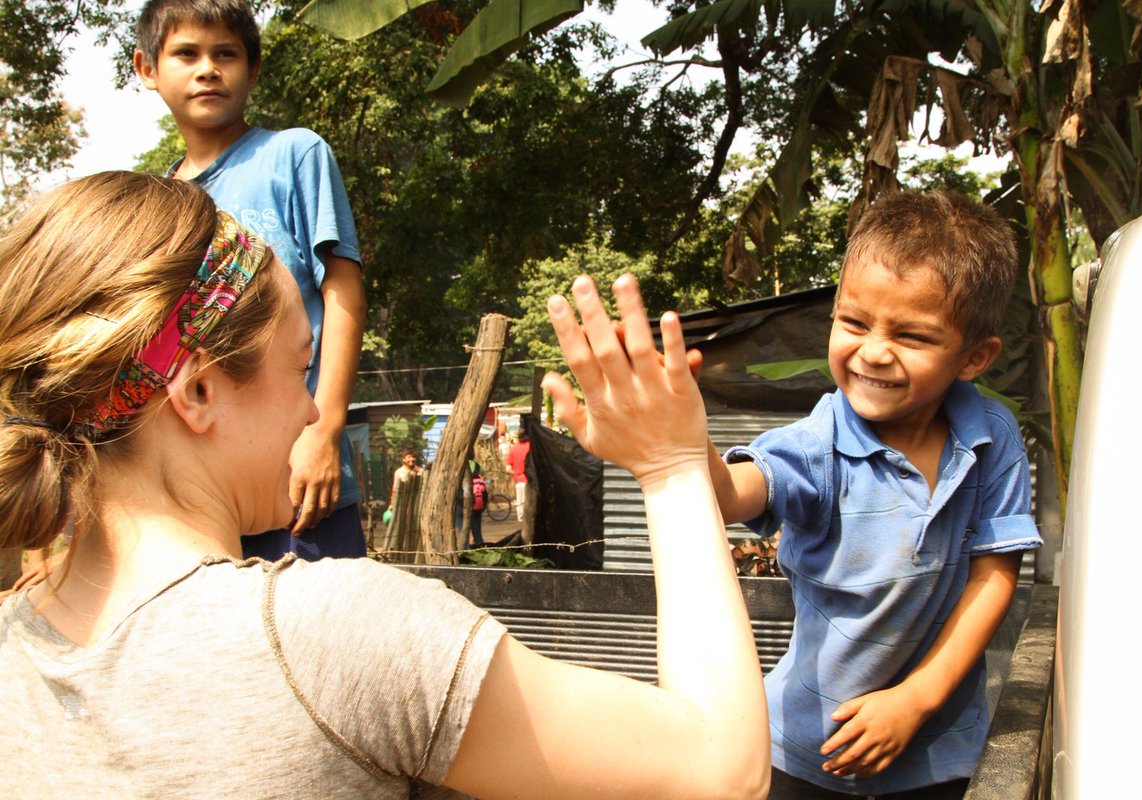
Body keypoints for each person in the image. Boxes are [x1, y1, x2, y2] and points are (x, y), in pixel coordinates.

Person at [0, 172, 769, 797]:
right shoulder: (330, 636)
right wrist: (669, 468)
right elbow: (719, 770)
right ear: (197, 392)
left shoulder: (15, 637)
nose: (311, 407)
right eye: (298, 366)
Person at [708, 191, 1043, 799]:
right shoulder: (819, 443)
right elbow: (732, 491)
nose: (873, 351)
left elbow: (993, 577)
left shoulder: (991, 436)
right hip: (804, 751)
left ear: (975, 357)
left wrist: (916, 700)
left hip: (939, 747)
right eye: (854, 322)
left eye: (911, 335)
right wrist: (676, 447)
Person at [132, 0, 368, 561]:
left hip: (297, 479)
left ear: (253, 69)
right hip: (199, 496)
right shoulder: (158, 206)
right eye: (186, 53)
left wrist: (325, 430)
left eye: (226, 54)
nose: (208, 68)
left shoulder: (294, 155)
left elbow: (342, 289)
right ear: (147, 69)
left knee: (323, 637)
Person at [505, 429, 531, 521]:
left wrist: (517, 473)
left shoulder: (513, 449)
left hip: (519, 481)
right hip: (531, 482)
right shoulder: (531, 447)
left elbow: (508, 469)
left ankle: (521, 521)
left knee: (520, 502)